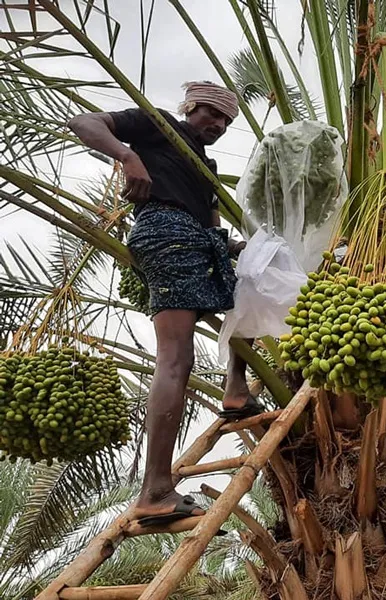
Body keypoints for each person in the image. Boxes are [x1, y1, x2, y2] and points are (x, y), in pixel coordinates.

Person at [69, 81, 262, 526]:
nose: (218, 125)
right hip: (165, 233)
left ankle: (236, 392)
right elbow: (84, 122)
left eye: (226, 121)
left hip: (197, 241)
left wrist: (244, 248)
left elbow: (212, 226)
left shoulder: (205, 165)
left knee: (249, 295)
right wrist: (128, 156)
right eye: (212, 114)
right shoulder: (158, 124)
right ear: (190, 106)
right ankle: (155, 489)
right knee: (176, 358)